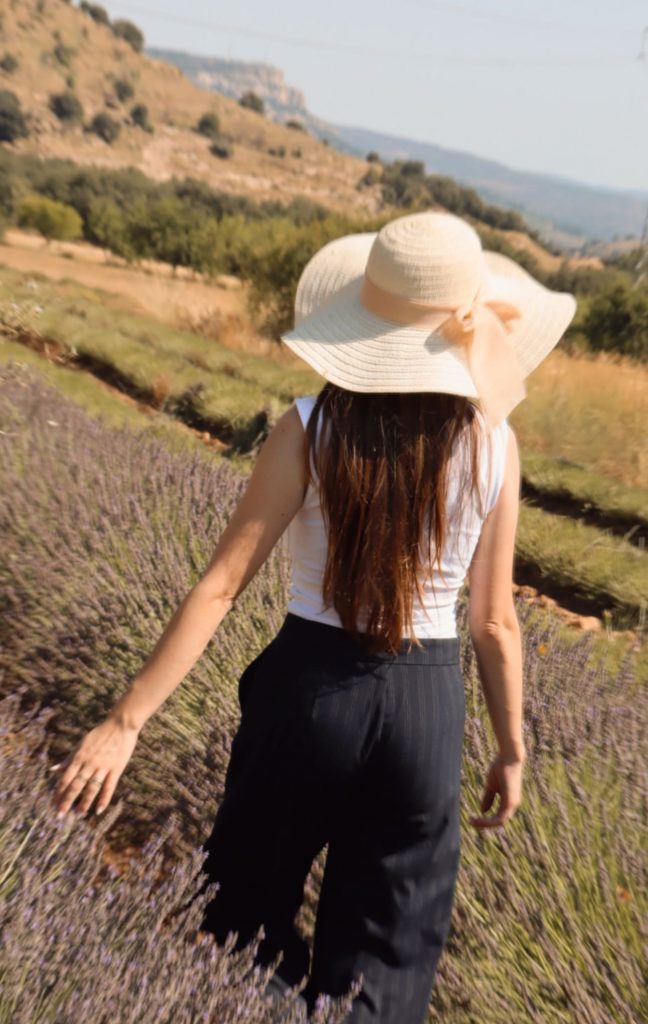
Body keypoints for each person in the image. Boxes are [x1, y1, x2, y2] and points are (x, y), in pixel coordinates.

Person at [50, 211, 577, 1023]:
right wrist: (511, 749)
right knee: (386, 966)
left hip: (308, 694)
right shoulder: (496, 443)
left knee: (239, 926)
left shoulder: (309, 425)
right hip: (426, 713)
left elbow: (220, 587)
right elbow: (495, 622)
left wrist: (127, 721)